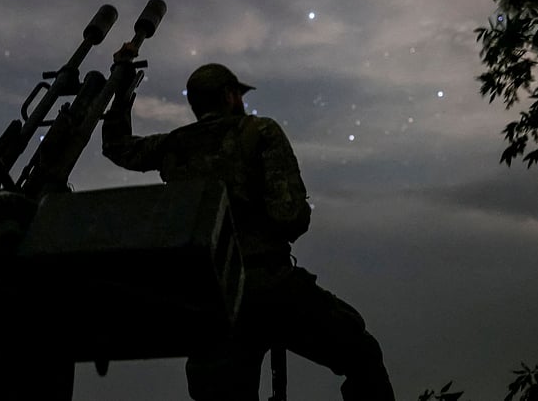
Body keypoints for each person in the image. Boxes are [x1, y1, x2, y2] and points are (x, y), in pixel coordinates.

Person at [102, 60, 395, 401]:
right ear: (229, 96)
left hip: (211, 299)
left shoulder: (172, 145)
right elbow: (290, 216)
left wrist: (122, 89)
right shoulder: (260, 132)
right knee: (361, 354)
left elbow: (117, 147)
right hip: (268, 283)